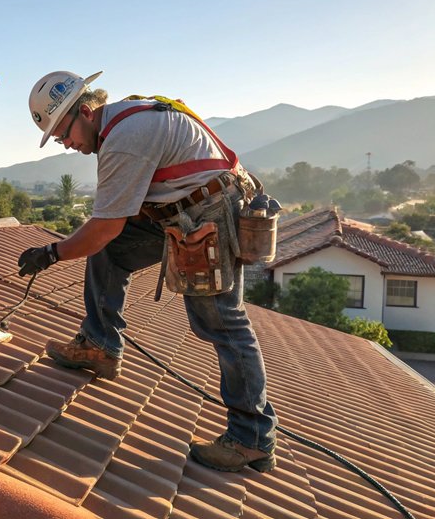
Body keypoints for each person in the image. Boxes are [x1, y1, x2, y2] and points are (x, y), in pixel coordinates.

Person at [17, 71, 278, 473]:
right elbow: (111, 229)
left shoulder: (125, 137)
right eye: (57, 140)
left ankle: (252, 437)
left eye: (63, 133)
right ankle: (100, 345)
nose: (66, 144)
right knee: (111, 252)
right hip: (179, 211)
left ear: (85, 112)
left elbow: (104, 227)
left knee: (221, 322)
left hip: (208, 214)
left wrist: (52, 253)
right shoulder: (120, 123)